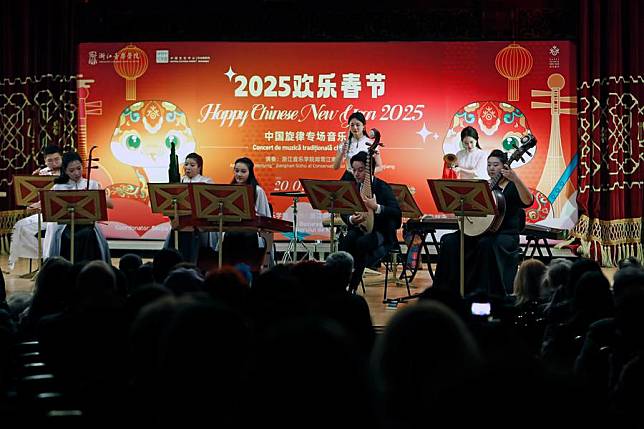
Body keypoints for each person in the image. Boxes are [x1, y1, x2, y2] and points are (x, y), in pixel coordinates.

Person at [433, 149, 534, 298]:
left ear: (505, 167)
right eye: (489, 165)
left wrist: (516, 179)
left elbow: (528, 201)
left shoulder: (513, 186)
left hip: (505, 234)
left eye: (495, 165)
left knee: (486, 245)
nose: (491, 168)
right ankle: (447, 293)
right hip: (483, 232)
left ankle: (486, 294)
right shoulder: (485, 186)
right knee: (450, 241)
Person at [339, 151, 401, 293]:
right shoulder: (353, 186)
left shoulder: (382, 187)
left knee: (362, 243)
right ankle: (341, 284)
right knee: (346, 240)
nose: (356, 174)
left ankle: (352, 286)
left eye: (360, 170)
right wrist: (350, 219)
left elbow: (396, 212)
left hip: (381, 232)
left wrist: (377, 208)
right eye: (354, 170)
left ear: (370, 170)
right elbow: (345, 210)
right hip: (360, 228)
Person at [44, 151, 113, 264]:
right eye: (71, 170)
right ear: (65, 171)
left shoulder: (92, 184)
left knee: (88, 234)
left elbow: (111, 205)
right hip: (64, 225)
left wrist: (98, 195)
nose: (77, 173)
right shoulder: (58, 187)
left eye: (79, 168)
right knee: (66, 235)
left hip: (87, 224)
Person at [8, 145, 63, 271]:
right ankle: (43, 260)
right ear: (45, 161)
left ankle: (50, 262)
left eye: (56, 159)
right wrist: (32, 197)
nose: (53, 163)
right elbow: (34, 197)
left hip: (59, 214)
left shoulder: (67, 172)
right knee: (20, 227)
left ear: (62, 158)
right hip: (43, 213)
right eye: (49, 160)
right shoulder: (42, 173)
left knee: (51, 229)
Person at [221, 157, 273, 270]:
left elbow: (264, 217)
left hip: (251, 233)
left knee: (245, 235)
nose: (239, 174)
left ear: (250, 173)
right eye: (236, 171)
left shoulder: (257, 191)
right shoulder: (229, 190)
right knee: (230, 236)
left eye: (243, 171)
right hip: (232, 231)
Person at [164, 152, 215, 262]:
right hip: (180, 223)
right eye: (186, 164)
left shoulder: (206, 181)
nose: (188, 167)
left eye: (192, 165)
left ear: (199, 167)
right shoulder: (180, 180)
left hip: (197, 226)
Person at [333, 111, 383, 180]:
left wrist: (366, 173)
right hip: (349, 178)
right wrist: (342, 152)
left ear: (364, 127)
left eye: (358, 125)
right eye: (352, 125)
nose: (355, 127)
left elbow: (380, 167)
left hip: (366, 180)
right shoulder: (344, 143)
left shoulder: (372, 143)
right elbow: (336, 167)